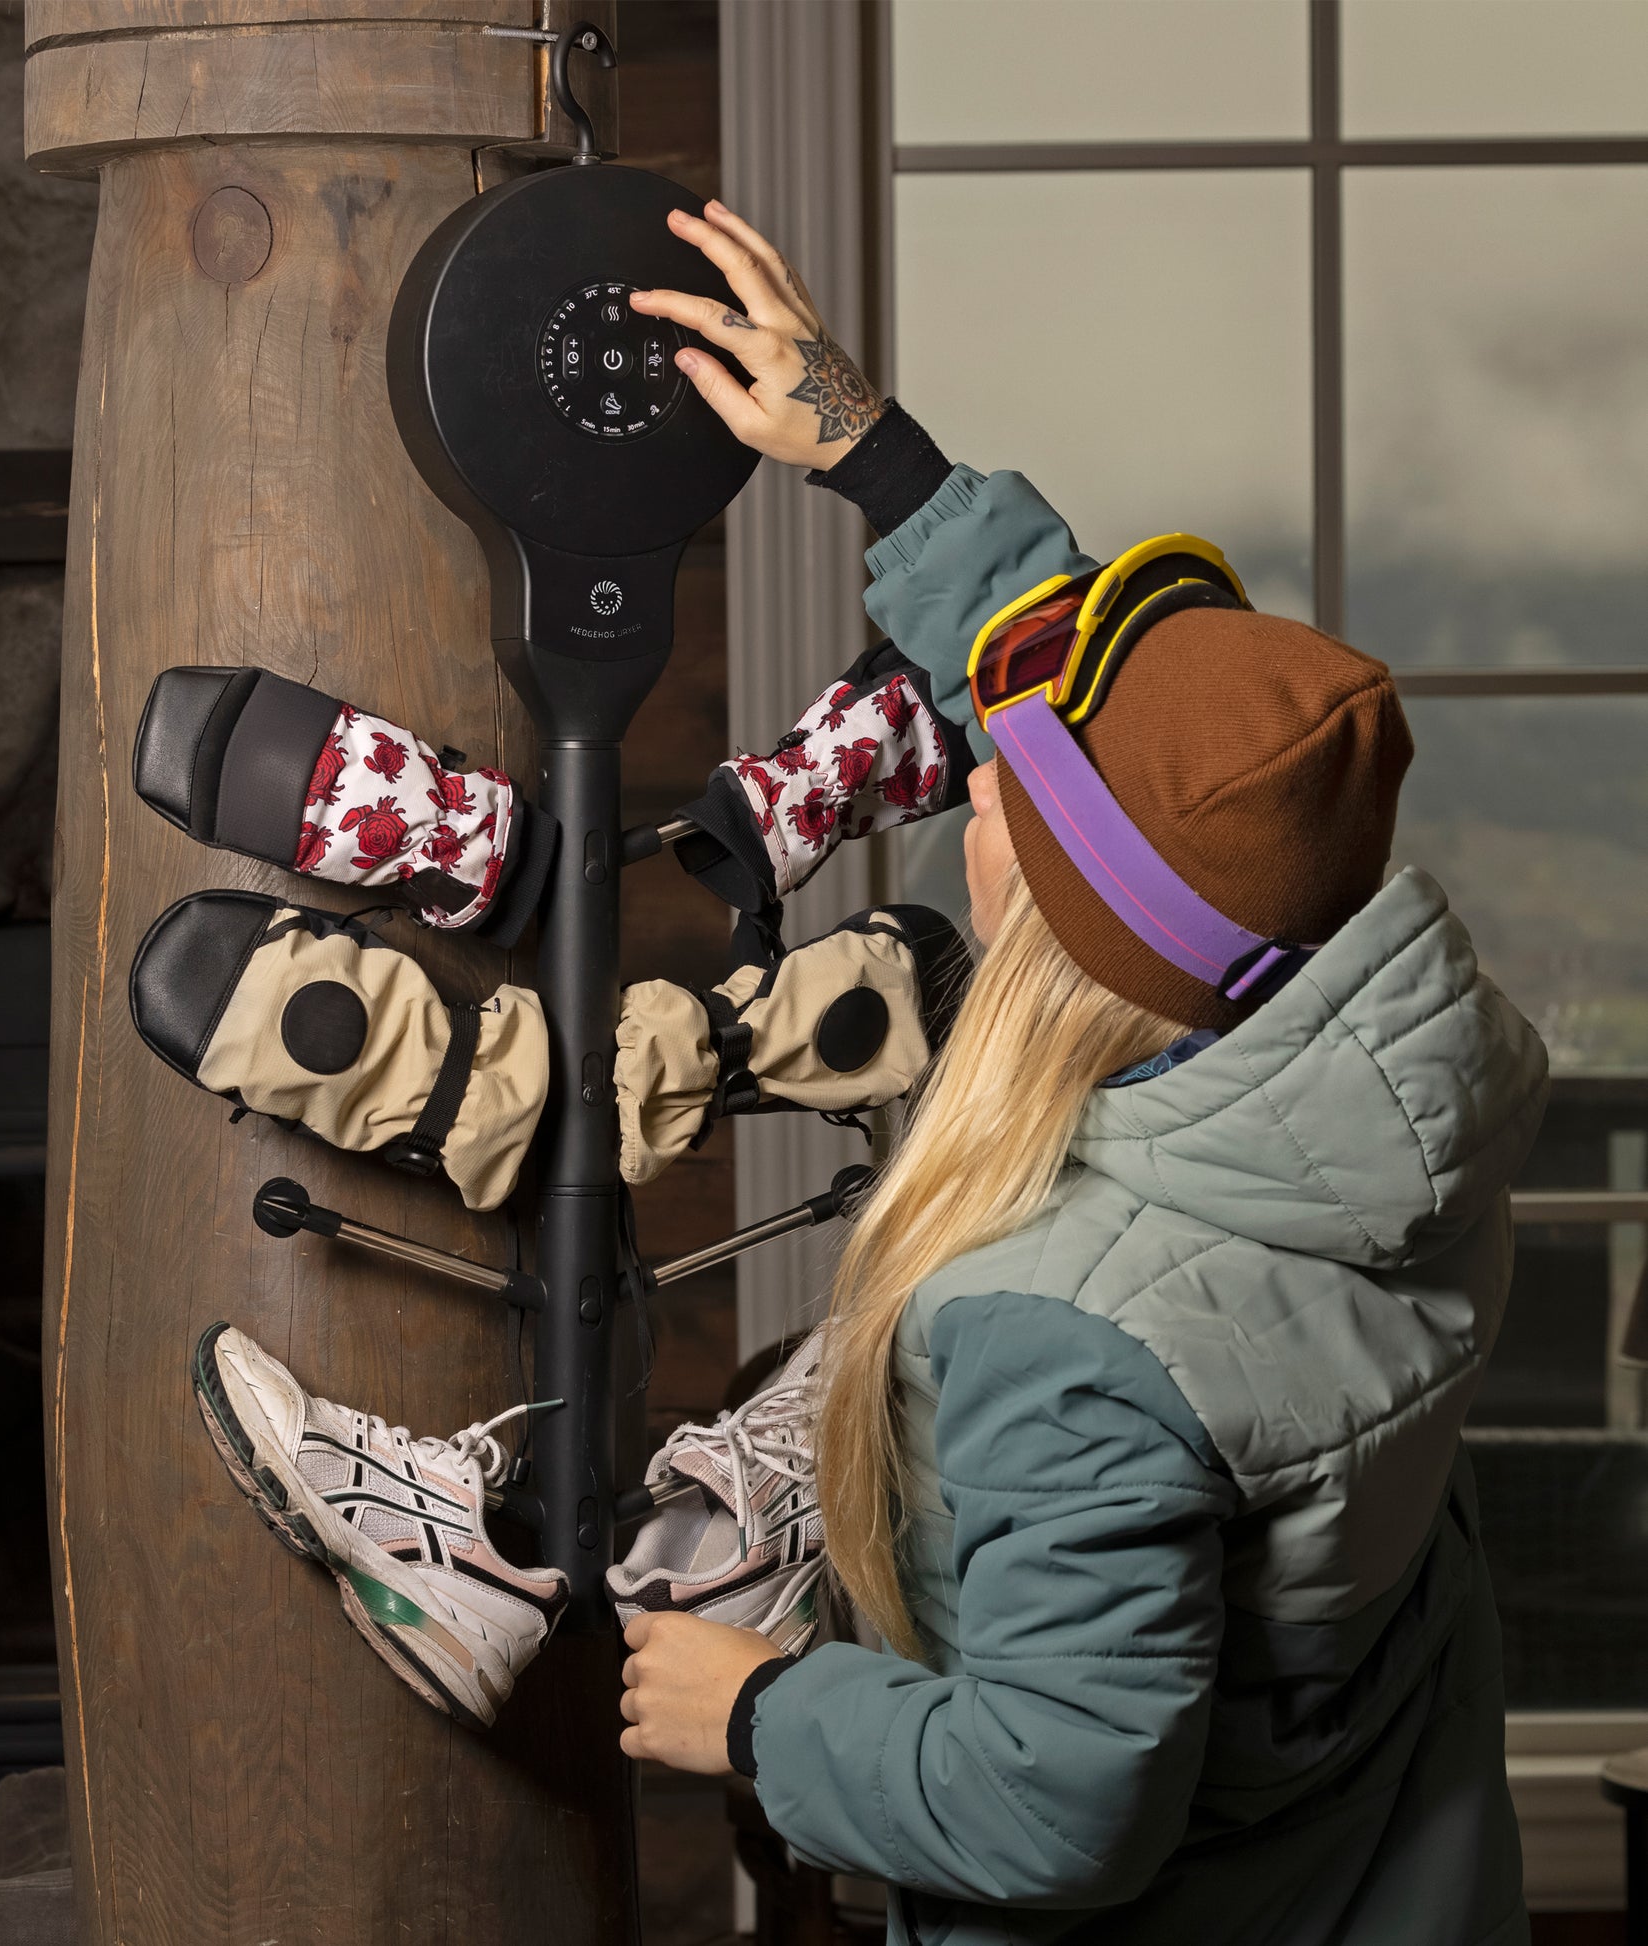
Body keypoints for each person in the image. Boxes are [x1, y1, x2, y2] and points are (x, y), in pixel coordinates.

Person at [616, 201, 1545, 1946]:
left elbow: (1056, 1801)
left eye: (1011, 793)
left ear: (1061, 925)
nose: (971, 772)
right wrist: (871, 452)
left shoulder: (1062, 1333)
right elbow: (1148, 775)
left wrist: (751, 1712)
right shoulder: (1391, 1098)